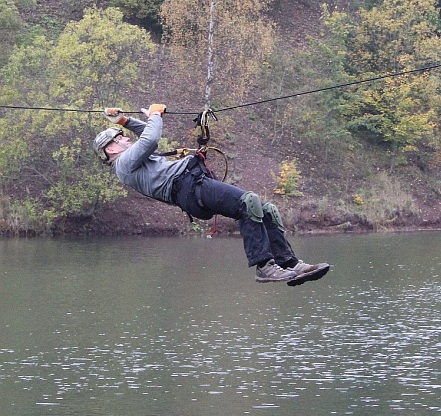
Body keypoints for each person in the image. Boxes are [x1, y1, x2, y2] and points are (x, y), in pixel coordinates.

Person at [92, 104, 330, 285]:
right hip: (188, 187)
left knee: (266, 209)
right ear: (111, 149)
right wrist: (154, 114)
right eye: (120, 137)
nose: (125, 138)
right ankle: (264, 266)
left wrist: (125, 120)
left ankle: (289, 263)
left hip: (193, 184)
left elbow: (147, 133)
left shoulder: (134, 159)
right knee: (249, 202)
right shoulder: (124, 164)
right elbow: (151, 137)